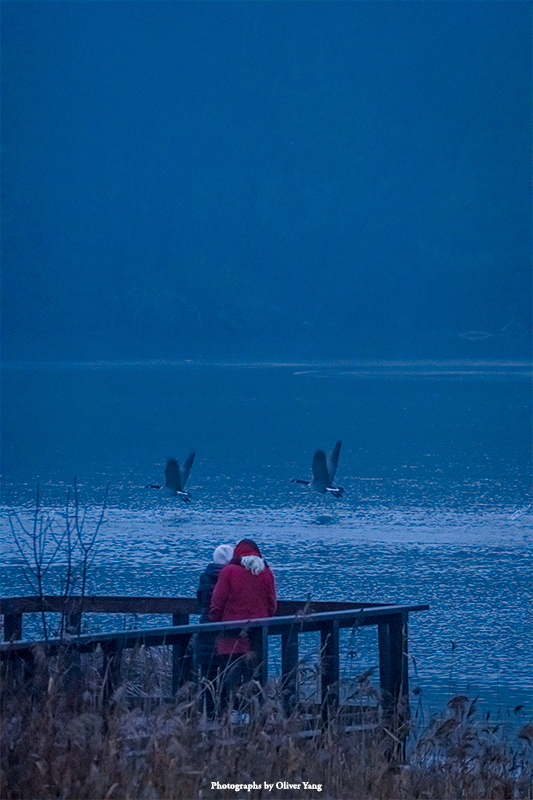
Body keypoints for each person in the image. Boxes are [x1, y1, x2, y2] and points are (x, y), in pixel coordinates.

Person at [209, 539, 277, 698]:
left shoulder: (229, 571)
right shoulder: (265, 572)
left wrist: (216, 624)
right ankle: (255, 716)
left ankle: (228, 715)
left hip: (230, 638)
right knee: (255, 681)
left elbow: (217, 604)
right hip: (257, 638)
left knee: (229, 681)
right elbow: (272, 605)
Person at [196, 544, 234, 679]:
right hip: (228, 630)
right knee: (228, 675)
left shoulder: (205, 576)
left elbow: (201, 599)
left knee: (207, 675)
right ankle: (225, 700)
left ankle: (207, 699)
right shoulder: (233, 577)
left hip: (207, 626)